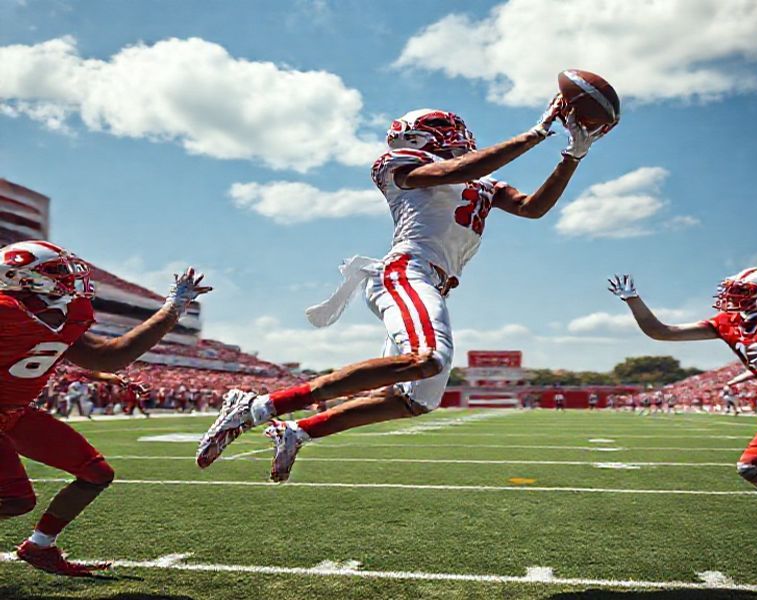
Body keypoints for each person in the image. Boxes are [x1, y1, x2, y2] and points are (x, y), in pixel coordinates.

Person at [197, 98, 616, 478]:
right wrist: (537, 132)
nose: (460, 136)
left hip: (432, 283)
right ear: (422, 135)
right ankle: (257, 408)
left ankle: (297, 431)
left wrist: (573, 155)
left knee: (411, 400)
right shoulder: (396, 164)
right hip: (405, 272)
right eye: (448, 130)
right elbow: (456, 170)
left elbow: (532, 209)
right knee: (429, 357)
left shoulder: (485, 183)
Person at [0, 240, 210, 576]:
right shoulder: (5, 309)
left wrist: (173, 307)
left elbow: (110, 356)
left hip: (16, 413)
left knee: (95, 473)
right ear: (20, 278)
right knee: (16, 499)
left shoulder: (58, 316)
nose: (70, 279)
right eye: (57, 273)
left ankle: (40, 546)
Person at [608, 268, 757, 558]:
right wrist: (633, 300)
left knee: (752, 467)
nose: (731, 296)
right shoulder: (729, 322)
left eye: (742, 291)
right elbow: (662, 332)